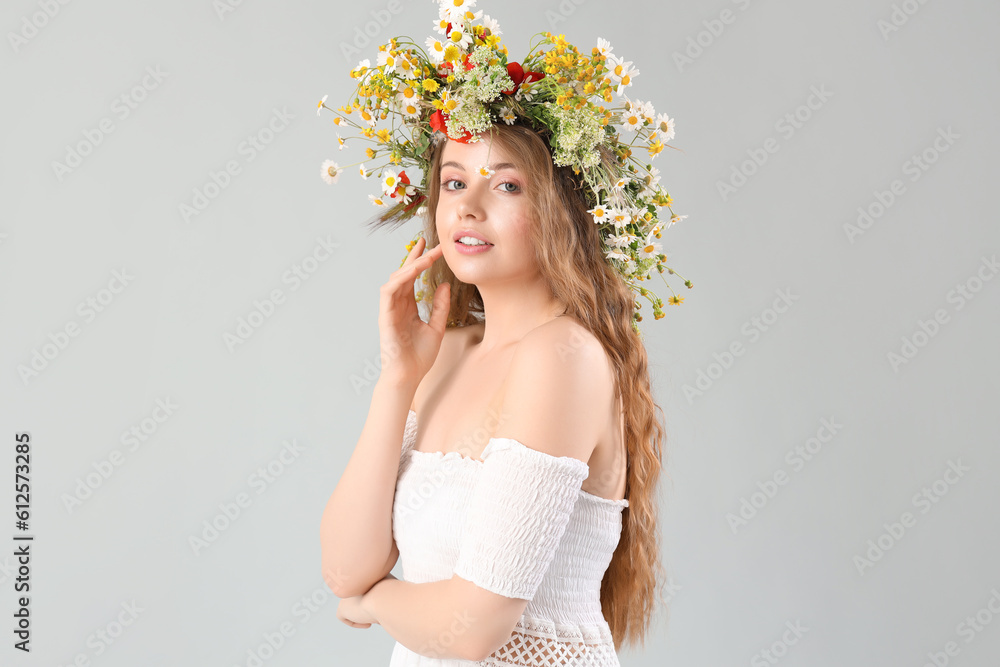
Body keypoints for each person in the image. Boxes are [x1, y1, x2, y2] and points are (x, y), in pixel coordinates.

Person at [320, 121, 670, 665]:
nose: (467, 208)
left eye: (507, 186)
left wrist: (373, 601)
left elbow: (472, 629)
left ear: (566, 211)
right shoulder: (446, 357)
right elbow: (345, 567)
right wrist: (397, 381)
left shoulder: (562, 357)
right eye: (454, 183)